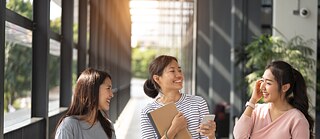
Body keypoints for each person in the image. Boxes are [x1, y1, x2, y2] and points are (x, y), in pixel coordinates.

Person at [140, 55, 216, 139]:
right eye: (172, 71)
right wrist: (174, 129)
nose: (179, 75)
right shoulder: (148, 111)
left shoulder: (198, 103)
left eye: (179, 70)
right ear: (157, 79)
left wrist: (211, 135)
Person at [233, 60, 314, 139]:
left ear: (285, 87)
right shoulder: (256, 111)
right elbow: (239, 136)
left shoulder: (297, 119)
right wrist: (253, 100)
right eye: (262, 81)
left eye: (268, 83)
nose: (262, 87)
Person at [54, 68, 116, 139]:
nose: (111, 94)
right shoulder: (69, 126)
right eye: (108, 88)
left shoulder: (108, 126)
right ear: (93, 90)